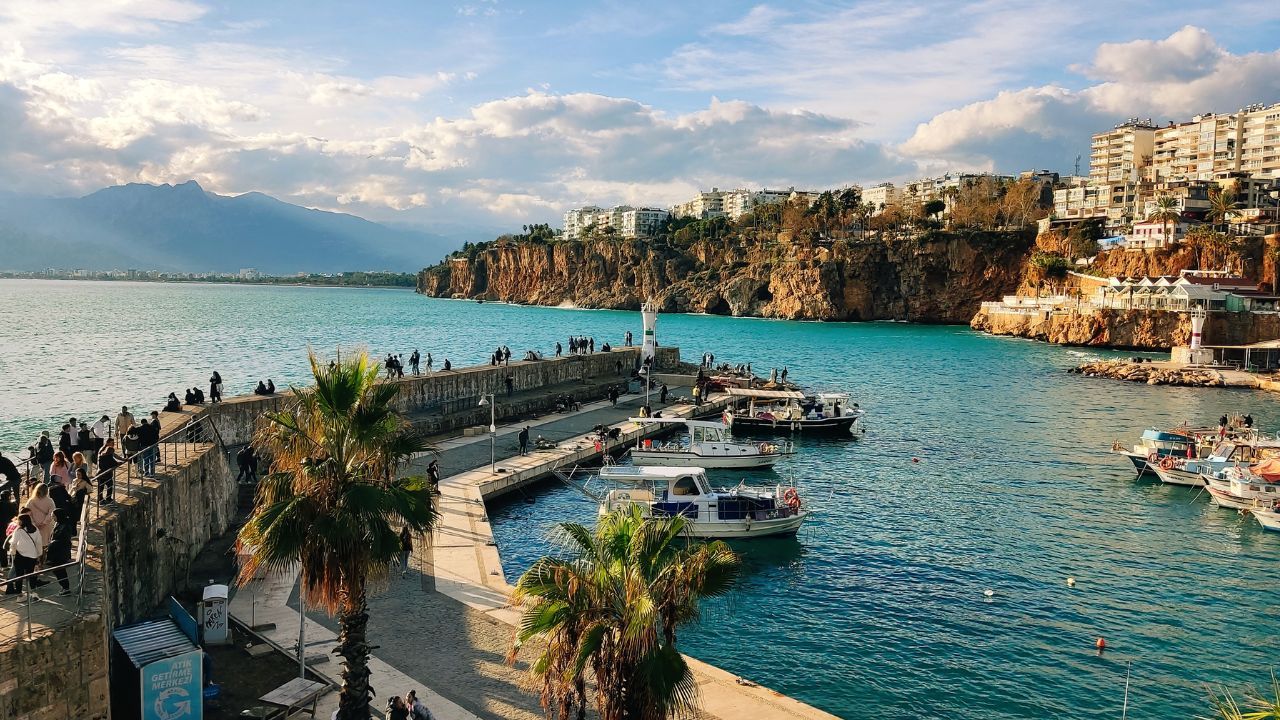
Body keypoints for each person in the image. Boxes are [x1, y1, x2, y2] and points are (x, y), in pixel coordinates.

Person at [4, 510, 45, 595]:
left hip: (20, 555)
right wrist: (38, 554)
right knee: (31, 575)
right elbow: (39, 542)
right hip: (33, 555)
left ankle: (19, 594)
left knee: (20, 576)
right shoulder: (35, 529)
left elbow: (13, 543)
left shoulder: (19, 530)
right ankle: (33, 593)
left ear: (21, 521)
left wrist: (13, 552)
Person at [45, 507, 75, 596]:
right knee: (58, 570)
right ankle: (64, 587)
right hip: (56, 551)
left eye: (54, 516)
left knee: (59, 570)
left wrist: (52, 544)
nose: (52, 518)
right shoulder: (60, 523)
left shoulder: (65, 526)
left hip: (60, 552)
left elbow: (62, 539)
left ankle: (66, 588)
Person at [97, 439, 120, 505]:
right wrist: (119, 462)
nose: (113, 444)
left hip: (100, 473)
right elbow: (114, 463)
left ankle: (100, 500)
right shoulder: (109, 456)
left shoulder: (101, 455)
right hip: (107, 474)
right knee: (109, 486)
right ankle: (108, 498)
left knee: (101, 487)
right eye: (112, 443)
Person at [0, 489, 15, 570]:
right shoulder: (10, 505)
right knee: (5, 545)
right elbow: (14, 515)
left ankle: (3, 564)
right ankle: (5, 564)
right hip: (7, 527)